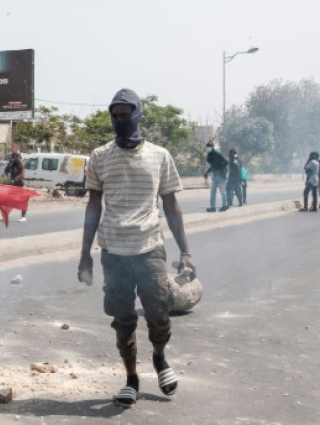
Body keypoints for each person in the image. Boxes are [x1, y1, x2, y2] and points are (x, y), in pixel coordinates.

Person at [77, 88, 195, 408]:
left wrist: (185, 251)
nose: (119, 121)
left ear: (138, 114)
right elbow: (93, 207)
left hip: (149, 248)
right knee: (123, 318)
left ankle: (159, 357)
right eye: (114, 116)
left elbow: (171, 206)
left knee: (159, 313)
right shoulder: (100, 157)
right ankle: (131, 378)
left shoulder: (160, 156)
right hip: (113, 252)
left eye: (125, 114)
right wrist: (85, 254)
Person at [3, 143, 28, 222]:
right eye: (13, 156)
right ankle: (5, 215)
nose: (13, 157)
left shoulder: (20, 163)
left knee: (23, 200)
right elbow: (6, 172)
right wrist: (9, 165)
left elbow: (22, 173)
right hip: (13, 185)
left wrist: (15, 179)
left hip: (19, 184)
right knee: (8, 200)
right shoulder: (12, 163)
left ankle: (23, 216)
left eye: (15, 156)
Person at [202, 141, 228, 211]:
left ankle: (224, 206)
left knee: (222, 192)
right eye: (207, 147)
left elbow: (226, 162)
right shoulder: (209, 155)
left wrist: (220, 168)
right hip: (214, 176)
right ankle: (212, 207)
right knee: (213, 192)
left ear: (212, 147)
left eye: (209, 147)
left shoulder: (218, 154)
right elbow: (213, 166)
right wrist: (207, 172)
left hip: (221, 176)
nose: (207, 148)